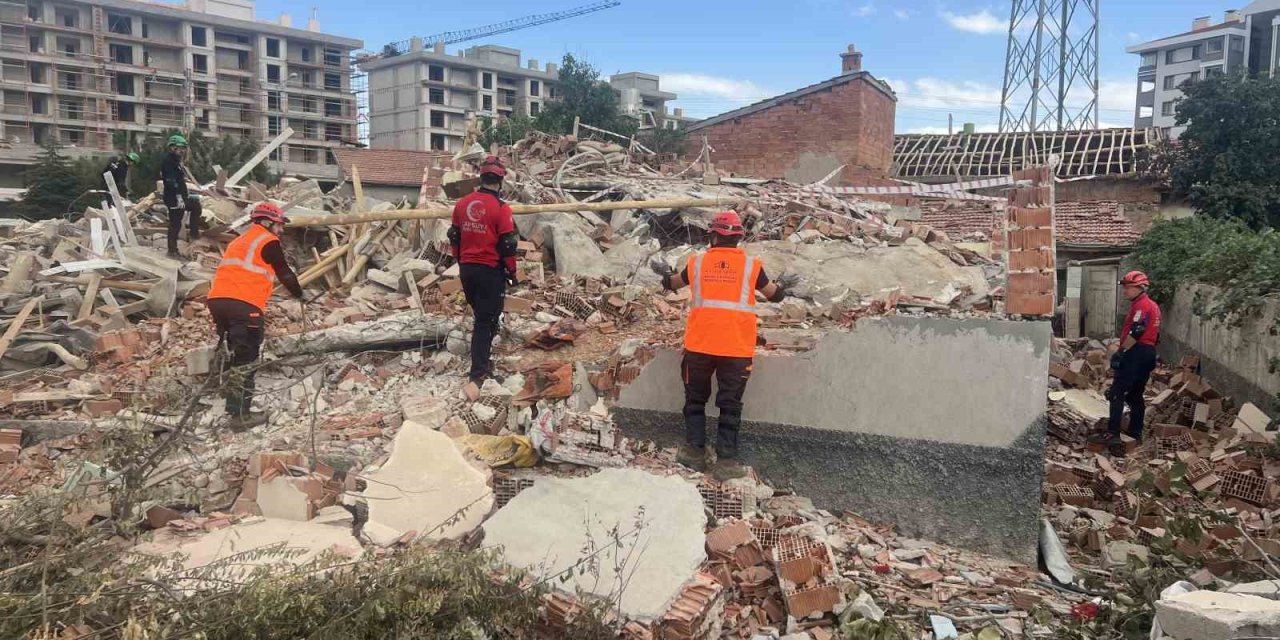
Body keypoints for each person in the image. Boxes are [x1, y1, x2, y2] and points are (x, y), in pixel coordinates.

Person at [650, 211, 796, 481]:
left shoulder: (697, 263)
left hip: (700, 346)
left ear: (714, 236)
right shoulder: (753, 267)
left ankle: (694, 453)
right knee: (730, 405)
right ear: (738, 238)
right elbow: (774, 295)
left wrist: (664, 274)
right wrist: (785, 286)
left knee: (695, 400)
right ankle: (726, 461)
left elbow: (673, 284)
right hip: (736, 349)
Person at [206, 202, 304, 431]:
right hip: (243, 305)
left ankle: (233, 409)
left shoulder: (239, 241)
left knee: (235, 355)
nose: (281, 230)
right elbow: (284, 273)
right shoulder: (268, 241)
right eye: (279, 225)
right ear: (267, 222)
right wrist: (300, 294)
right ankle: (241, 417)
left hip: (218, 302)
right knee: (247, 358)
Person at [450, 155, 519, 400]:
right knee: (484, 320)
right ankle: (478, 374)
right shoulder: (501, 209)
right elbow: (508, 246)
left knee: (483, 316)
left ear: (481, 177)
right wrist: (512, 273)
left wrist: (462, 265)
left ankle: (483, 360)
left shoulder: (461, 205)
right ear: (500, 181)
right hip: (490, 270)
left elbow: (454, 239)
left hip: (467, 269)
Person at [1097, 270, 1161, 455]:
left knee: (1117, 393)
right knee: (1135, 395)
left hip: (1136, 351)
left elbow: (1137, 331)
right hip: (1148, 352)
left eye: (1127, 287)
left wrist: (1121, 352)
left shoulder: (1141, 306)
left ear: (1139, 288)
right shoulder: (1153, 306)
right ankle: (1135, 433)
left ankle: (1113, 433)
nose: (1125, 291)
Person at [161, 134, 202, 258]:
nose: (183, 151)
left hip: (181, 197)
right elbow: (170, 182)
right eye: (181, 148)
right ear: (173, 147)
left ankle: (194, 235)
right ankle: (172, 251)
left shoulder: (177, 161)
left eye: (184, 148)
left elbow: (179, 180)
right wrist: (178, 196)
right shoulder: (169, 162)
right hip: (173, 198)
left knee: (196, 206)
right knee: (175, 223)